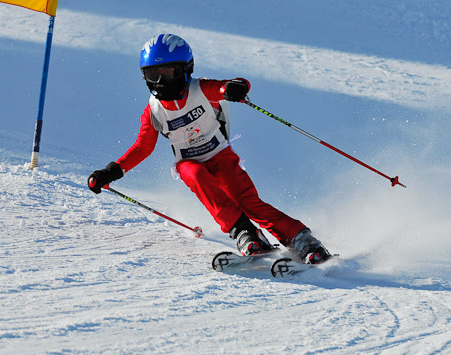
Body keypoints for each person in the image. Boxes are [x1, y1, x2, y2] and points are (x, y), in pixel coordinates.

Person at [88, 33, 330, 264]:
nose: (161, 82)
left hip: (220, 155)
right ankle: (246, 234)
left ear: (185, 70)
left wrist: (236, 89)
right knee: (193, 173)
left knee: (248, 202)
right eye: (154, 75)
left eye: (169, 73)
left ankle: (304, 242)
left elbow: (228, 86)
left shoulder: (201, 89)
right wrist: (110, 172)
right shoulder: (154, 111)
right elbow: (142, 148)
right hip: (188, 162)